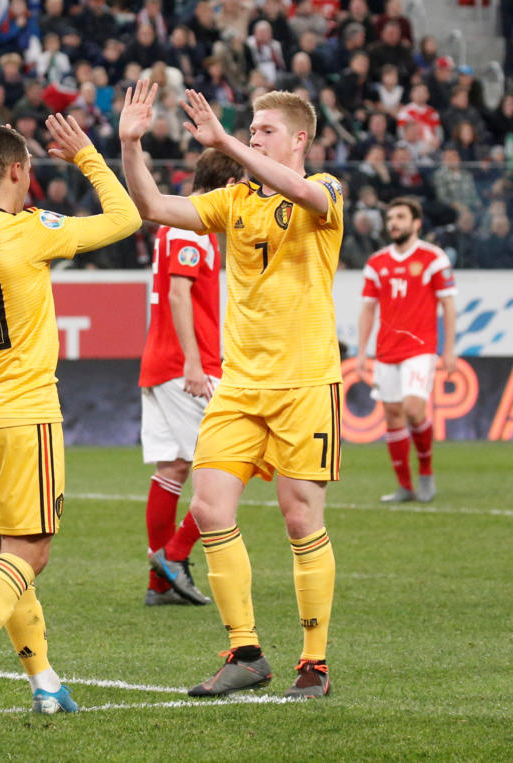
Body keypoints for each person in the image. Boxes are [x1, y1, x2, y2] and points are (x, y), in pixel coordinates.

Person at [120, 82, 343, 700]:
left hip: (305, 382)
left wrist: (223, 143)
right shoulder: (234, 200)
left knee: (300, 519)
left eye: (265, 131)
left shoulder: (326, 190)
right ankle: (245, 653)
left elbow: (301, 192)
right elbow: (152, 206)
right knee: (210, 509)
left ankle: (314, 663)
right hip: (240, 386)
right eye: (250, 130)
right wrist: (130, 146)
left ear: (299, 139)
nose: (253, 138)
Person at [0, 117, 141, 720]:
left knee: (10, 556)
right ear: (17, 170)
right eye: (29, 172)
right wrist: (88, 157)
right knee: (30, 554)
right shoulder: (30, 231)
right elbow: (126, 218)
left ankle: (44, 681)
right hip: (22, 413)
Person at [139, 149, 244, 608]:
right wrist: (194, 363)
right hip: (186, 367)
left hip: (160, 363)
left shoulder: (175, 222)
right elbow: (179, 294)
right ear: (229, 185)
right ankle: (176, 554)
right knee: (230, 461)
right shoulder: (191, 227)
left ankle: (161, 583)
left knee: (172, 469)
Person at [358, 197, 457, 503]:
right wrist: (361, 352)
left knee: (414, 409)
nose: (393, 223)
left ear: (416, 223)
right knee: (392, 415)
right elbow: (368, 309)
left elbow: (448, 305)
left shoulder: (433, 258)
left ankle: (425, 472)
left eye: (400, 217)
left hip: (420, 348)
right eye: (390, 218)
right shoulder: (377, 262)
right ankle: (405, 486)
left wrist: (449, 350)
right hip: (387, 349)